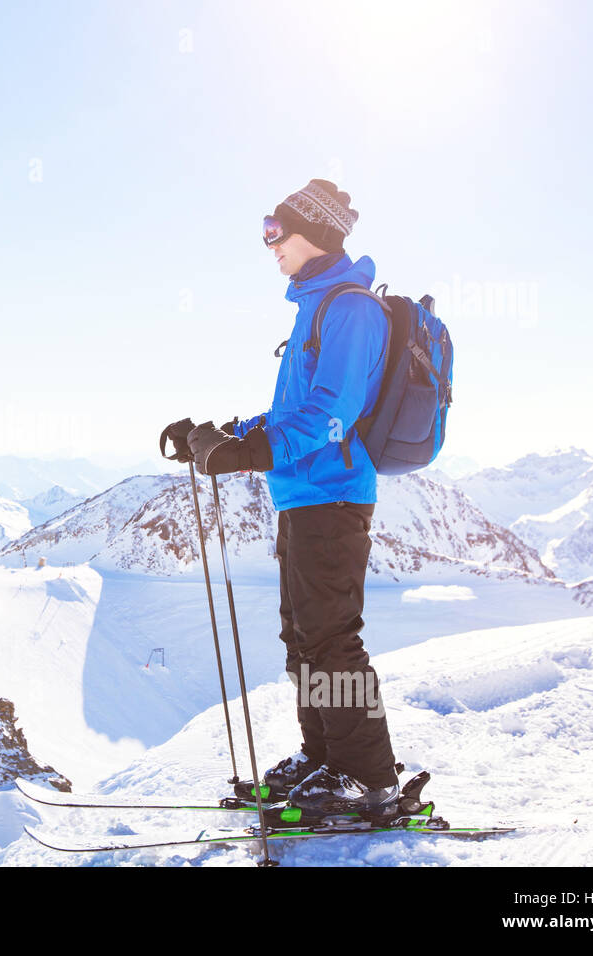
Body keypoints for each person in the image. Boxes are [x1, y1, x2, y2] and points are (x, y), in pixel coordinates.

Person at [164, 179, 400, 815]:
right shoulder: (314, 309)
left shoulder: (351, 309)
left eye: (277, 230)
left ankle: (368, 778)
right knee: (303, 638)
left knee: (331, 640)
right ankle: (325, 759)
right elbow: (289, 411)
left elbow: (332, 413)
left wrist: (252, 453)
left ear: (315, 233)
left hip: (333, 498)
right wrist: (216, 436)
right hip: (301, 498)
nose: (268, 243)